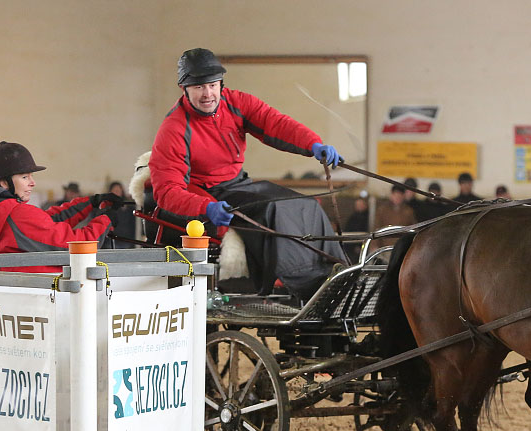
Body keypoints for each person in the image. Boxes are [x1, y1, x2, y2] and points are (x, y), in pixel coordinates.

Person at [149, 47, 347, 298]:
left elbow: (274, 123)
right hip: (208, 193)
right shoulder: (174, 129)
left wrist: (313, 144)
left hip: (239, 184)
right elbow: (167, 192)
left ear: (221, 83)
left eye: (212, 85)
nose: (208, 93)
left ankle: (337, 271)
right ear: (185, 89)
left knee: (306, 203)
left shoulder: (237, 102)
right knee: (273, 209)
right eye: (199, 87)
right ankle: (300, 286)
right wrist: (205, 207)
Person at [0, 142, 120, 273]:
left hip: (16, 296)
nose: (32, 182)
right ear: (4, 183)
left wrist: (90, 202)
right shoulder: (18, 215)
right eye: (24, 177)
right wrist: (105, 220)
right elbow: (77, 246)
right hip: (46, 298)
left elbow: (47, 220)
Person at [371, 185, 416, 251]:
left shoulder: (408, 211)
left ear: (403, 197)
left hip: (402, 248)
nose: (398, 198)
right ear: (391, 196)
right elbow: (376, 228)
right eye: (396, 195)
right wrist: (374, 245)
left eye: (400, 196)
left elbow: (413, 228)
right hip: (385, 247)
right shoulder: (382, 210)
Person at [106, 180, 137, 248]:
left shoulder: (128, 207)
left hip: (125, 240)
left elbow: (132, 224)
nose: (117, 192)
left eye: (118, 190)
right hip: (110, 240)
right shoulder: (106, 207)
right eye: (115, 190)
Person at [343, 191, 371, 263]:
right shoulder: (352, 217)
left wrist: (358, 245)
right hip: (351, 246)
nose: (358, 206)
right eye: (357, 204)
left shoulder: (367, 218)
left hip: (360, 245)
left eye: (361, 204)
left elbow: (366, 230)